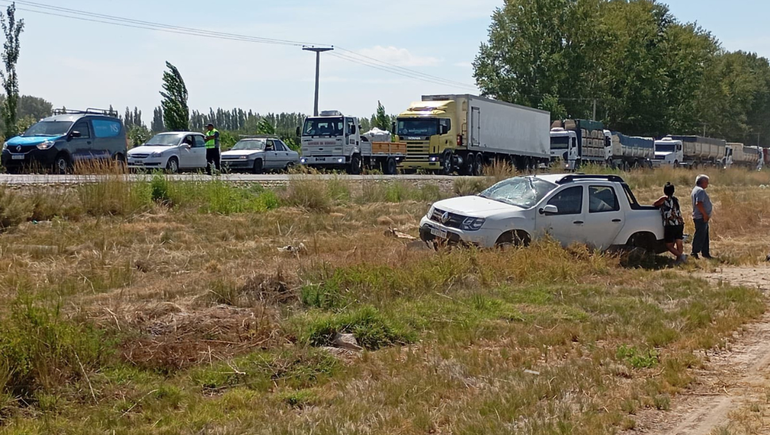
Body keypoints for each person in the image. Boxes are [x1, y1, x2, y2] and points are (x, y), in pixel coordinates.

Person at [654, 182, 686, 263]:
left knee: (669, 245)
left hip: (670, 224)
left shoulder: (664, 199)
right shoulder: (676, 199)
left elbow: (654, 204)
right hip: (679, 223)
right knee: (679, 242)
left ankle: (681, 256)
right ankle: (679, 259)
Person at [691, 174, 713, 259]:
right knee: (700, 235)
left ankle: (705, 252)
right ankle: (694, 252)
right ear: (702, 182)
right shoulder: (700, 191)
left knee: (704, 235)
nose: (707, 184)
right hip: (701, 217)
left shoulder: (696, 190)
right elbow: (699, 203)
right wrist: (704, 215)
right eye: (706, 182)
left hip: (701, 216)